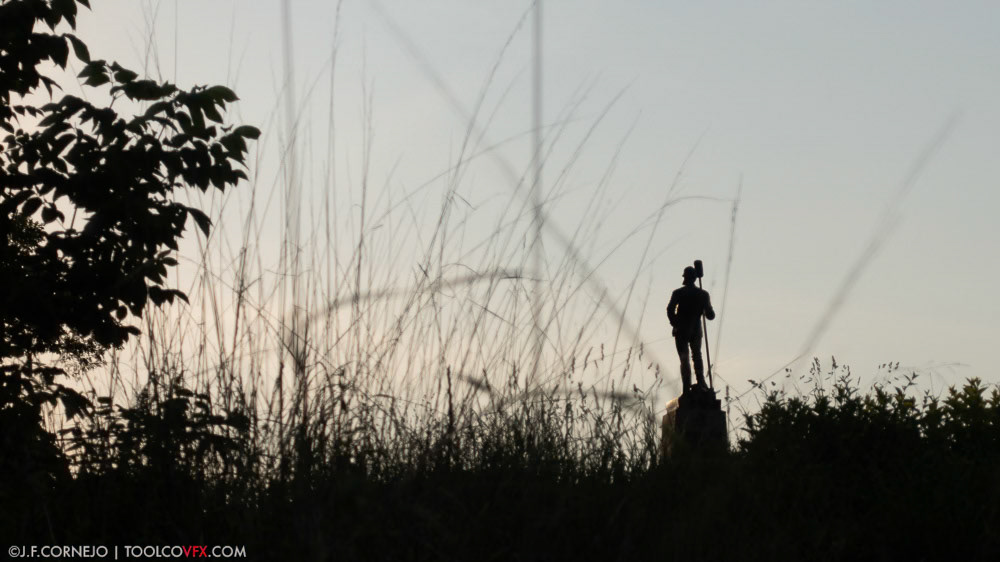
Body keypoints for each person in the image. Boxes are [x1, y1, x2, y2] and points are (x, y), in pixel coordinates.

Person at [667, 266, 715, 394]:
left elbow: (670, 309)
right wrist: (706, 309)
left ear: (686, 278)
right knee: (697, 355)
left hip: (682, 329)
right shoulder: (703, 294)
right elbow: (710, 315)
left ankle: (686, 386)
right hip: (695, 328)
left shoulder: (678, 293)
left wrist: (675, 323)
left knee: (684, 358)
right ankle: (701, 381)